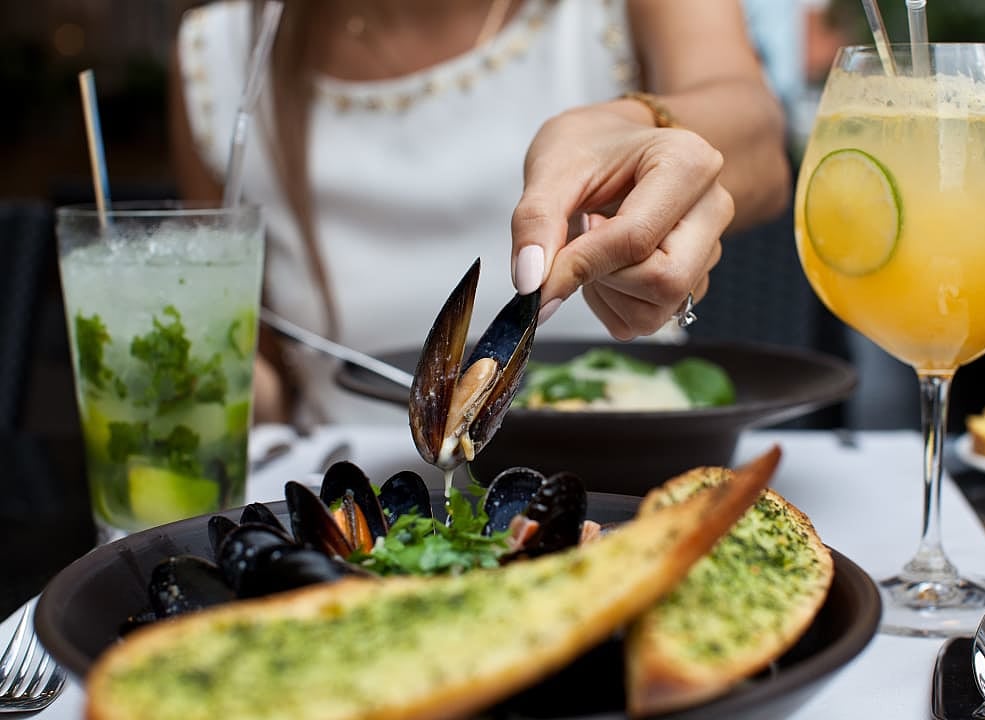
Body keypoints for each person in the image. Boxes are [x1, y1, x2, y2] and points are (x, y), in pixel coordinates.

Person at [170, 0, 791, 428]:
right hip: (349, 508)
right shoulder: (218, 55)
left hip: (629, 476)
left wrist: (636, 126)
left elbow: (762, 142)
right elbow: (258, 362)